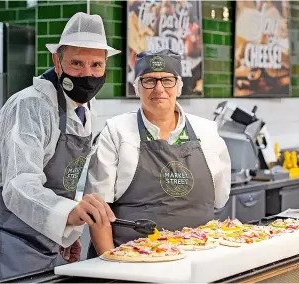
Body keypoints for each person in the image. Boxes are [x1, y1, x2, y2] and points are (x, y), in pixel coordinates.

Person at [0, 12, 120, 283]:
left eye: (96, 65)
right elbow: (20, 184)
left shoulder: (85, 111)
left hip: (40, 240)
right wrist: (68, 212)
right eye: (76, 63)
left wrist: (66, 230)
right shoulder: (31, 106)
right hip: (0, 239)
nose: (87, 75)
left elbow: (60, 184)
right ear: (57, 62)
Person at [84, 49, 231, 257]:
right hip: (132, 261)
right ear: (137, 87)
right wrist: (111, 264)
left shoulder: (207, 133)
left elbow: (220, 199)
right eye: (149, 80)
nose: (159, 88)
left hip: (198, 259)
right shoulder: (116, 132)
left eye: (167, 80)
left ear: (179, 86)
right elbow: (97, 211)